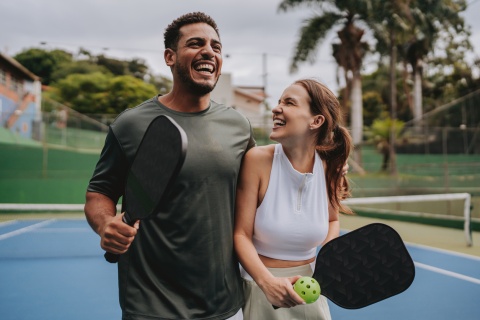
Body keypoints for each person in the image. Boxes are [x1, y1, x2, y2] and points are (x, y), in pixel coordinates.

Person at [84, 12, 255, 320]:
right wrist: (105, 224)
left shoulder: (238, 125)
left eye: (216, 47)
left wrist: (325, 167)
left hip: (225, 306)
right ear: (170, 56)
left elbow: (262, 181)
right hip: (151, 307)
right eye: (196, 43)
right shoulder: (130, 125)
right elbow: (99, 192)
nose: (209, 52)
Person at [233, 79, 352, 320]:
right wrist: (267, 283)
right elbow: (240, 235)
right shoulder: (256, 160)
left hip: (311, 291)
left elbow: (332, 220)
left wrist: (327, 259)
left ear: (316, 121)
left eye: (289, 103)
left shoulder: (331, 168)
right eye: (278, 102)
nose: (276, 108)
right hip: (259, 290)